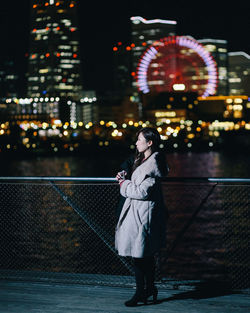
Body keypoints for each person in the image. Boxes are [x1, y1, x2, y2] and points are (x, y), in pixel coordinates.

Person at [115, 127, 169, 307]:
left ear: (150, 142)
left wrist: (123, 183)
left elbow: (141, 191)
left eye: (139, 140)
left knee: (138, 255)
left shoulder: (152, 164)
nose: (136, 143)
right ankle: (149, 289)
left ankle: (140, 292)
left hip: (142, 214)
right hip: (140, 213)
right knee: (143, 255)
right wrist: (124, 175)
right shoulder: (143, 160)